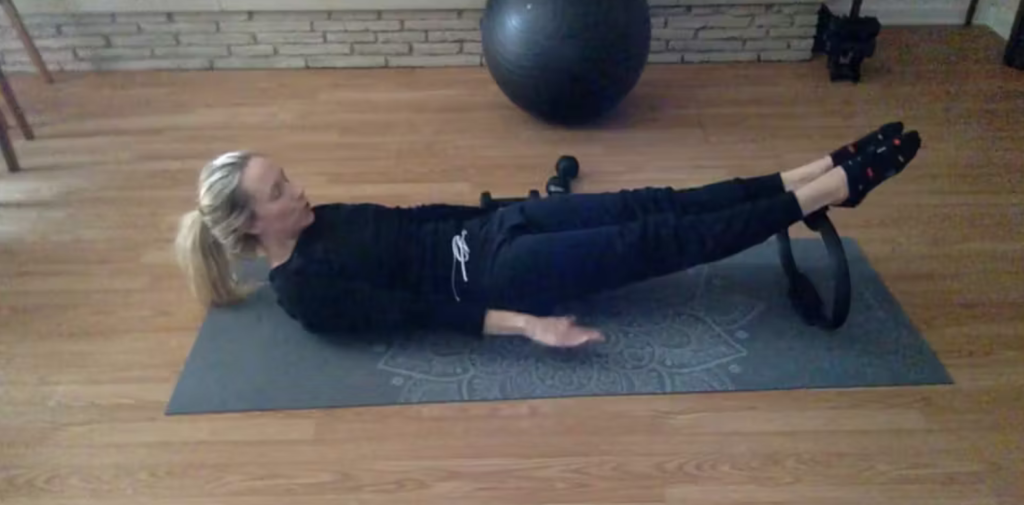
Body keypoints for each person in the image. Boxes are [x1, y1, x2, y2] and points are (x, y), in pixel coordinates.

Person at [175, 122, 920, 348]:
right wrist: (528, 324)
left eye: (288, 177)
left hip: (503, 226)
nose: (298, 189)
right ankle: (833, 190)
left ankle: (811, 168)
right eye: (279, 192)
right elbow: (418, 311)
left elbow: (416, 223)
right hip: (502, 276)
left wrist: (496, 211)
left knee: (653, 201)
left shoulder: (317, 217)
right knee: (661, 239)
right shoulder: (306, 289)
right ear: (249, 224)